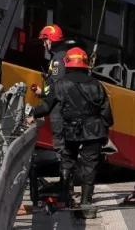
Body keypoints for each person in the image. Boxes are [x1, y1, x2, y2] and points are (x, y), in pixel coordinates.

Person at [30, 47, 113, 217]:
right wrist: (104, 131)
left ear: (67, 63)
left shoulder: (61, 84)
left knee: (67, 161)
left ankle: (65, 197)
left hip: (71, 130)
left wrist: (31, 114)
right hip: (94, 131)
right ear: (85, 64)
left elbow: (47, 106)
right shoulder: (97, 85)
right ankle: (85, 204)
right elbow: (106, 114)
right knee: (90, 166)